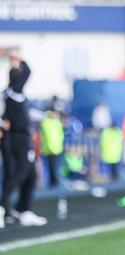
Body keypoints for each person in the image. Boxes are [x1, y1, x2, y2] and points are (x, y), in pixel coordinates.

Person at [0, 50, 47, 228]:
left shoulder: (8, 94)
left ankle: (21, 209)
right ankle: (4, 205)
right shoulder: (15, 92)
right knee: (22, 172)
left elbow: (24, 114)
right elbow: (27, 72)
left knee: (20, 174)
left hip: (11, 138)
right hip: (19, 138)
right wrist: (18, 59)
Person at [40, 111, 65, 187]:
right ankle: (53, 182)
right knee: (52, 166)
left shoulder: (57, 123)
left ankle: (55, 181)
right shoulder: (46, 123)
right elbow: (49, 137)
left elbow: (60, 135)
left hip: (57, 148)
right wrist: (51, 148)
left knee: (56, 166)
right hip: (50, 149)